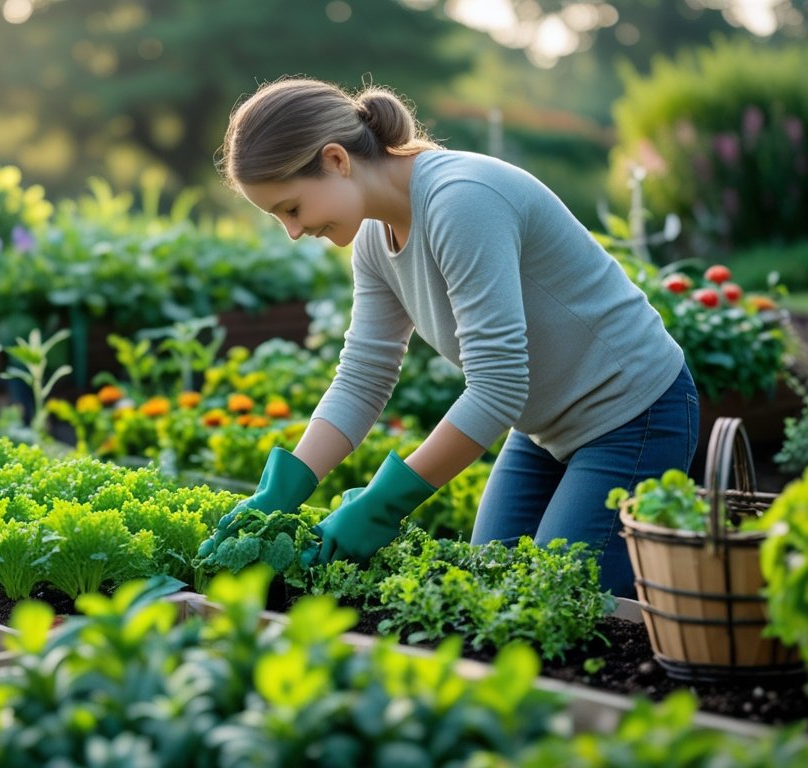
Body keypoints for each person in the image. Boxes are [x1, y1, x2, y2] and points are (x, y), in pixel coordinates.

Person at [200, 77, 697, 598]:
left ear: (336, 160)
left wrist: (381, 504)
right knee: (491, 596)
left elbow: (497, 386)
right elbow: (364, 376)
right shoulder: (374, 236)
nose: (293, 232)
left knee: (555, 599)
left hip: (632, 414)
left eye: (292, 208)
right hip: (543, 429)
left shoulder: (461, 202)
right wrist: (283, 489)